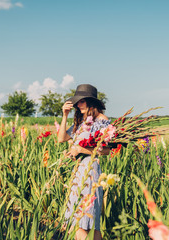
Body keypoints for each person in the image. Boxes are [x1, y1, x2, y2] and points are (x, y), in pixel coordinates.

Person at [58, 84, 110, 240]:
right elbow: (61, 138)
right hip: (79, 172)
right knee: (85, 221)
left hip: (90, 171)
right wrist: (65, 115)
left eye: (81, 101)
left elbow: (106, 150)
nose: (77, 105)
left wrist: (80, 150)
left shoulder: (102, 120)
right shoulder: (81, 121)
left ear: (90, 102)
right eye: (76, 102)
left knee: (83, 218)